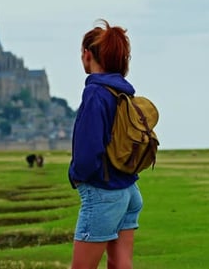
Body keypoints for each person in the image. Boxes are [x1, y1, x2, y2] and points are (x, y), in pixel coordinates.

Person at [68, 19, 143, 269]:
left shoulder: (95, 93)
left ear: (88, 55)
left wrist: (76, 176)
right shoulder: (122, 92)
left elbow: (88, 153)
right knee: (121, 265)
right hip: (129, 191)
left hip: (103, 192)